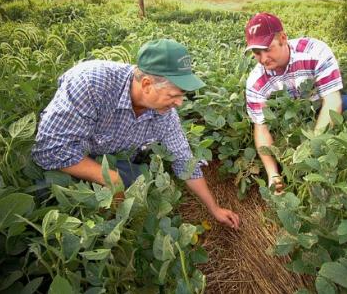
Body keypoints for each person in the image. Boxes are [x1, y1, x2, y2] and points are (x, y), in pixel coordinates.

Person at [32, 38, 240, 229]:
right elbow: (48, 149)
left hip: (111, 156)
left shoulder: (164, 113)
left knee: (140, 182)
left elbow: (184, 161)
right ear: (147, 84)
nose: (179, 103)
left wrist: (214, 209)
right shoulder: (91, 83)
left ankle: (106, 226)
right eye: (174, 95)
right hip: (72, 153)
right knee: (47, 191)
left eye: (182, 96)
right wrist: (111, 179)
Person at [244, 13, 347, 193]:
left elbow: (332, 100)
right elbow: (261, 128)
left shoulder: (316, 51)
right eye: (256, 53)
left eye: (267, 49)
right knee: (282, 146)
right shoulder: (256, 81)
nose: (263, 59)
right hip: (291, 120)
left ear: (283, 38)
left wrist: (312, 145)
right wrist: (273, 175)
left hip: (321, 106)